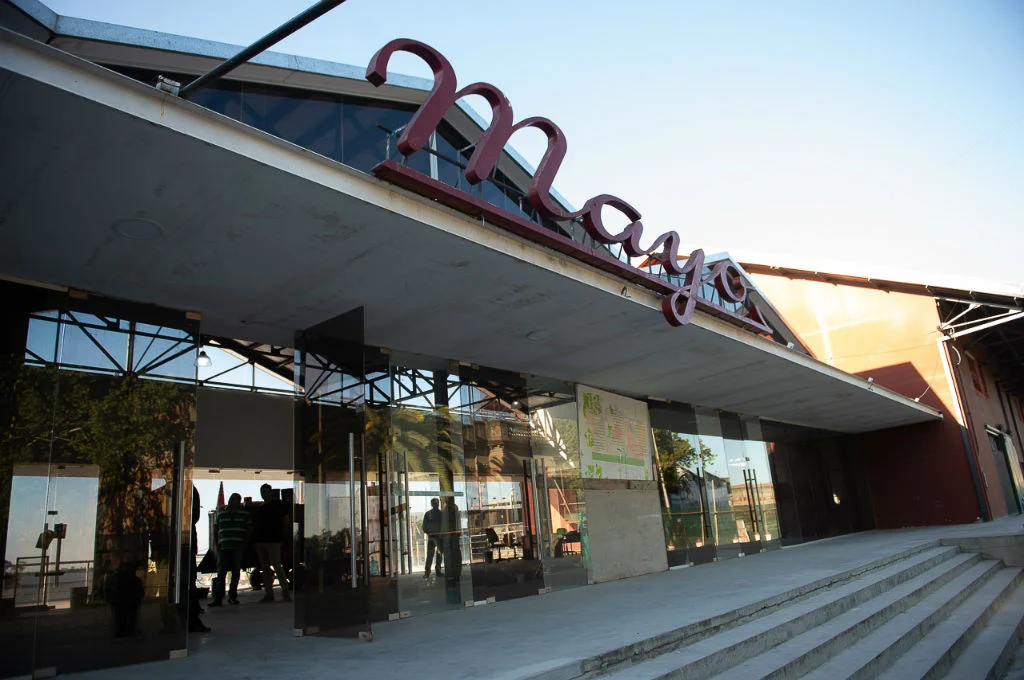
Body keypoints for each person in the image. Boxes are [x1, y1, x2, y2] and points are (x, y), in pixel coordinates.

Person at [210, 492, 251, 606]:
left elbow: (249, 529)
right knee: (221, 572)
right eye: (233, 499)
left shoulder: (244, 514)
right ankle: (218, 598)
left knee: (235, 572)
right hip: (224, 547)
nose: (235, 502)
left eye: (237, 500)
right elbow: (215, 530)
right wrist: (217, 545)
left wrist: (245, 543)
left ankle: (232, 596)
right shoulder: (221, 514)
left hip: (238, 547)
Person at [253, 484, 290, 602]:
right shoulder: (261, 508)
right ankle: (269, 593)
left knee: (277, 566)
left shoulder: (277, 505)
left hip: (273, 540)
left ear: (270, 492)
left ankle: (285, 591)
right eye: (262, 492)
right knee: (265, 568)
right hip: (261, 541)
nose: (264, 494)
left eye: (266, 491)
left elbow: (286, 521)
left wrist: (281, 537)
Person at [421, 497, 443, 579]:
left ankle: (437, 571)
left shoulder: (441, 514)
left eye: (437, 503)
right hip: (432, 537)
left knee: (439, 555)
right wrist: (429, 533)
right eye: (435, 503)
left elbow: (444, 525)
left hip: (439, 537)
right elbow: (424, 526)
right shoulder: (428, 514)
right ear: (432, 504)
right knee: (430, 555)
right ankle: (427, 572)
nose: (436, 504)